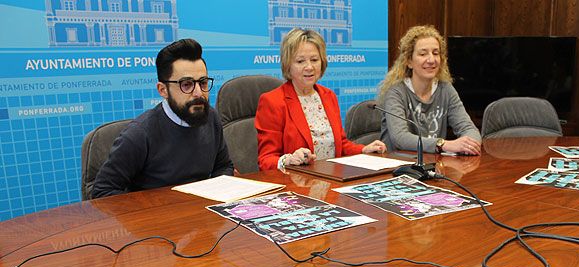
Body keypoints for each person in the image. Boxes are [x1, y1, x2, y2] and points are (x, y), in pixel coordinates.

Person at [92, 39, 233, 198]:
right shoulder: (139, 134)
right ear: (163, 90)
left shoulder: (211, 117)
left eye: (203, 83)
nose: (199, 93)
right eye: (186, 85)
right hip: (156, 212)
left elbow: (223, 166)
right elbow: (102, 192)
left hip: (202, 211)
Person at [255, 28, 386, 171]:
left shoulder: (328, 96)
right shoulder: (272, 101)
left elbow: (341, 145)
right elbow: (265, 160)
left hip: (333, 178)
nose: (309, 67)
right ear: (288, 65)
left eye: (314, 60)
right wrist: (289, 160)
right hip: (297, 181)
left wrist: (363, 150)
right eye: (300, 61)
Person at [378, 25, 481, 155]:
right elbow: (400, 138)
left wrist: (469, 144)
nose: (431, 60)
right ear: (409, 61)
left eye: (436, 53)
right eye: (423, 54)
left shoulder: (446, 89)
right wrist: (443, 145)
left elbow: (469, 129)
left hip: (433, 163)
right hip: (398, 164)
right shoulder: (396, 92)